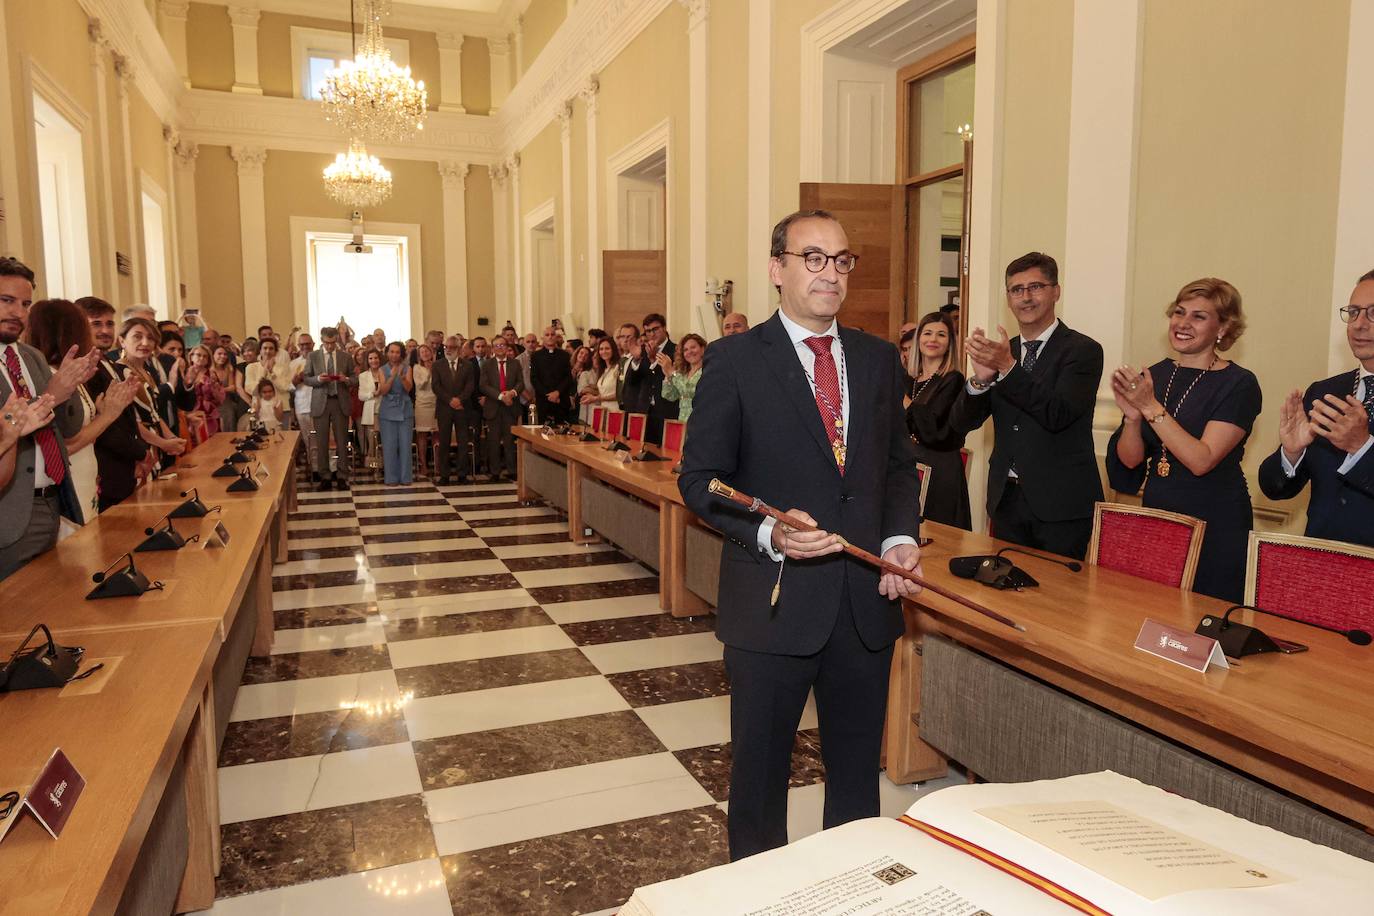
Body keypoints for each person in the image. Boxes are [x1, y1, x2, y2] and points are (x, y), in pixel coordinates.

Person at [679, 210, 921, 861]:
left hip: (863, 607)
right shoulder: (733, 360)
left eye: (841, 260)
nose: (829, 273)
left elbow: (897, 466)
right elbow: (699, 480)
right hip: (770, 604)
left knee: (855, 786)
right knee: (759, 784)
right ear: (776, 267)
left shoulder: (876, 360)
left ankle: (847, 890)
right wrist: (769, 533)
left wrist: (901, 538)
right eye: (813, 257)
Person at [1107, 279, 1262, 602]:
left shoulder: (1239, 384)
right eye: (1179, 313)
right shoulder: (1157, 375)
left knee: (1205, 622)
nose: (1183, 324)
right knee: (1158, 614)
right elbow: (1132, 461)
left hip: (1215, 521)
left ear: (1224, 327)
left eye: (1198, 316)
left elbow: (1201, 460)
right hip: (1160, 516)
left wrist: (1149, 406)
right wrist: (1132, 419)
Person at [950, 252, 1104, 560]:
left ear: (1055, 291)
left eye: (1036, 287)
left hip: (1061, 506)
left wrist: (1007, 368)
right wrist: (980, 381)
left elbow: (1057, 414)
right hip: (1007, 500)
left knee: (1058, 603)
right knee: (1005, 598)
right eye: (1016, 290)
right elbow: (960, 425)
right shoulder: (1006, 354)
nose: (1026, 297)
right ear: (1008, 298)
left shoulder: (1082, 350)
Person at [1258, 270, 1374, 547]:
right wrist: (1291, 453)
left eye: (1373, 313)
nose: (1359, 324)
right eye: (1354, 312)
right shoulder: (1325, 392)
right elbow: (1274, 488)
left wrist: (1362, 447)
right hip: (1320, 565)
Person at [23, 299, 139, 525]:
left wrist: (102, 414)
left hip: (86, 474)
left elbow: (80, 430)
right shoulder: (50, 375)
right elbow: (65, 445)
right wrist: (108, 416)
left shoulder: (67, 372)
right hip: (69, 481)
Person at [904, 312, 971, 530]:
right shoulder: (910, 380)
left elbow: (934, 429)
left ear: (950, 342)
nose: (933, 340)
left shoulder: (953, 380)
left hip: (940, 469)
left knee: (938, 536)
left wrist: (905, 403)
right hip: (911, 466)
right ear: (918, 339)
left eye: (941, 335)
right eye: (928, 333)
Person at [304, 326, 359, 491]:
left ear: (337, 341)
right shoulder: (313, 356)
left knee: (342, 441)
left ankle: (342, 476)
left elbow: (356, 379)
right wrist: (318, 379)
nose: (330, 346)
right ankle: (325, 477)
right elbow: (306, 378)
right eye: (327, 343)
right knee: (321, 442)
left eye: (333, 343)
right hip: (321, 401)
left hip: (339, 400)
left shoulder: (345, 356)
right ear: (321, 340)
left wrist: (346, 379)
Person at [623, 312, 680, 442]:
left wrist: (653, 360)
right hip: (645, 410)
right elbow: (633, 382)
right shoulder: (642, 350)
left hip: (665, 409)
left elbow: (669, 378)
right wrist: (636, 360)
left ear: (664, 328)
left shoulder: (675, 350)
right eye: (648, 331)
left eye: (655, 329)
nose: (652, 334)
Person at [433, 335, 477, 483]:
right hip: (444, 408)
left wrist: (459, 399)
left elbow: (470, 386)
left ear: (458, 349)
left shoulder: (468, 365)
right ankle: (444, 475)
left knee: (463, 442)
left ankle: (462, 474)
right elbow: (436, 386)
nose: (448, 350)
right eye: (446, 347)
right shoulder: (437, 365)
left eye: (452, 347)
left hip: (462, 408)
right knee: (444, 441)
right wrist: (450, 400)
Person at [480, 336, 524, 480]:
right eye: (497, 346)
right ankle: (495, 472)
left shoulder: (515, 363)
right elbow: (484, 385)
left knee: (510, 441)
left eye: (503, 345)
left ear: (507, 347)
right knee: (493, 442)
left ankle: (512, 470)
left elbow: (520, 383)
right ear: (492, 349)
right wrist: (500, 396)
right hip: (493, 407)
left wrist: (511, 393)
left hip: (510, 407)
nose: (500, 348)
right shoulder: (487, 364)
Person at [376, 342, 415, 485]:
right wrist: (392, 377)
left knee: (405, 445)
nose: (394, 355)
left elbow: (409, 389)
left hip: (405, 409)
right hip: (388, 410)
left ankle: (406, 478)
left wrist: (403, 378)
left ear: (401, 354)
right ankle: (391, 478)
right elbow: (383, 391)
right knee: (389, 445)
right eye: (391, 351)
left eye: (397, 352)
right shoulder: (382, 369)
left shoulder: (407, 368)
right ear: (387, 353)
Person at [531, 325, 575, 424]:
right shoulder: (536, 356)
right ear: (543, 338)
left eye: (552, 334)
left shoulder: (564, 355)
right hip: (543, 400)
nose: (550, 337)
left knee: (563, 436)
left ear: (556, 337)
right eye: (547, 335)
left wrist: (557, 392)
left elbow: (568, 377)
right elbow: (534, 379)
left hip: (561, 400)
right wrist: (548, 395)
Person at [659, 333, 706, 424]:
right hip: (682, 421)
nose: (689, 352)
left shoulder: (706, 370)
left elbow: (690, 390)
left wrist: (672, 373)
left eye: (693, 347)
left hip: (700, 421)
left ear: (703, 349)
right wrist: (667, 376)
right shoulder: (684, 373)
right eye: (685, 350)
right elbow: (669, 395)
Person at [244, 337, 291, 427]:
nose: (268, 351)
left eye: (271, 348)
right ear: (260, 350)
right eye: (265, 348)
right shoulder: (251, 367)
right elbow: (251, 390)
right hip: (260, 410)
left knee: (284, 438)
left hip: (282, 409)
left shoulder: (284, 367)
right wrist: (264, 371)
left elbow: (284, 387)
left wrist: (272, 372)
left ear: (276, 351)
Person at [289, 333, 317, 471]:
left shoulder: (320, 360)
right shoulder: (293, 364)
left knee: (326, 438)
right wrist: (295, 381)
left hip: (321, 404)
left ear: (313, 344)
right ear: (298, 347)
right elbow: (288, 386)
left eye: (308, 344)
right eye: (302, 344)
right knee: (309, 440)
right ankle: (315, 469)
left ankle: (331, 468)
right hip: (303, 404)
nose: (305, 347)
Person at [579, 337, 620, 426]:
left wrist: (596, 398)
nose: (604, 351)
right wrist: (591, 397)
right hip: (603, 411)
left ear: (613, 350)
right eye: (601, 349)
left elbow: (620, 394)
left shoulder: (618, 367)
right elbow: (604, 392)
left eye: (607, 348)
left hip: (615, 412)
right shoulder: (604, 370)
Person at [185, 345, 222, 441]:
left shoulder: (212, 374)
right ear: (191, 356)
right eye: (198, 355)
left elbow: (220, 399)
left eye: (205, 356)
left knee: (213, 445)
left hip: (209, 414)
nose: (201, 358)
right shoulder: (184, 372)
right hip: (190, 414)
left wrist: (214, 389)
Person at [413, 343, 437, 478]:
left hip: (436, 402)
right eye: (422, 352)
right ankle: (423, 465)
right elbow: (420, 385)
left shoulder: (438, 365)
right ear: (419, 355)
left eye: (427, 351)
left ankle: (438, 464)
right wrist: (428, 372)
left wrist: (433, 369)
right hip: (422, 404)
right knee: (422, 435)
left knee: (436, 434)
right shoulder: (417, 368)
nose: (425, 353)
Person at [358, 348, 384, 470]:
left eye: (376, 358)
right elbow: (361, 396)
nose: (374, 361)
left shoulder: (385, 372)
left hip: (385, 410)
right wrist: (373, 394)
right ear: (367, 361)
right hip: (371, 411)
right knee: (372, 442)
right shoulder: (363, 376)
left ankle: (384, 465)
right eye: (371, 358)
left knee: (384, 441)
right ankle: (374, 467)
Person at [614, 322, 640, 408]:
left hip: (635, 406)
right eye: (622, 337)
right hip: (621, 405)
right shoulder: (621, 360)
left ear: (636, 339)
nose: (625, 340)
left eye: (629, 337)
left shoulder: (640, 358)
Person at [571, 345, 596, 424]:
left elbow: (584, 388)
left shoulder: (587, 372)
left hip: (579, 401)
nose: (583, 356)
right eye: (581, 353)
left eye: (586, 355)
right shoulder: (568, 367)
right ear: (577, 353)